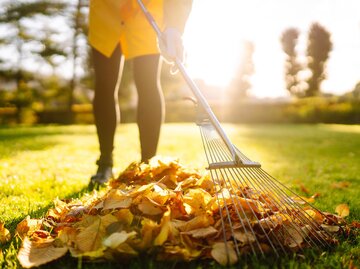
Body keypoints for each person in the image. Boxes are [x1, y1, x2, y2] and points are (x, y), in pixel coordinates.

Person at [88, 0, 192, 185]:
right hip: (107, 8)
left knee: (147, 82)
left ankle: (148, 166)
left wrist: (174, 27)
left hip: (147, 11)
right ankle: (105, 163)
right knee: (105, 83)